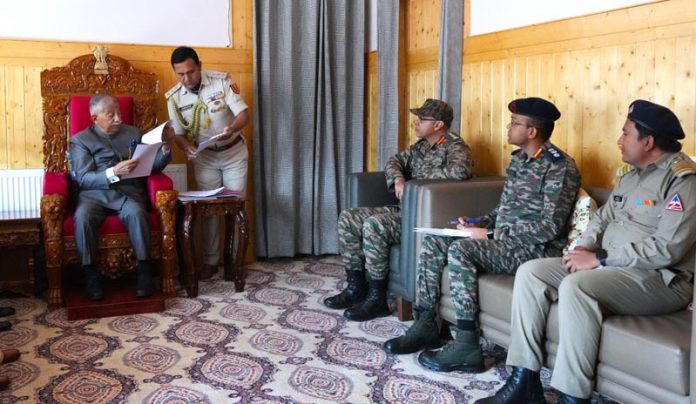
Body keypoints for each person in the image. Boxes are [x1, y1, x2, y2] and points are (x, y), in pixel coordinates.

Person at [478, 100, 696, 404]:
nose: (619, 141)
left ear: (648, 141)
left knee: (577, 286)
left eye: (625, 134)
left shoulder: (683, 180)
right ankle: (524, 380)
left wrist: (600, 259)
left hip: (660, 279)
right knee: (532, 272)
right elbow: (603, 217)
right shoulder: (631, 175)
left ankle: (572, 395)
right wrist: (583, 246)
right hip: (613, 268)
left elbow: (667, 249)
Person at [384, 97, 581, 374]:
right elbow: (504, 210)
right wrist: (479, 221)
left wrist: (490, 233)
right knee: (435, 242)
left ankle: (466, 345)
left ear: (532, 131)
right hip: (506, 239)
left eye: (515, 123)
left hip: (537, 250)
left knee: (463, 251)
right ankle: (425, 323)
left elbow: (549, 228)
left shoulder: (558, 167)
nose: (508, 127)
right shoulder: (519, 161)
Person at [323, 98, 474, 321]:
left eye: (422, 119)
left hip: (425, 217)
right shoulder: (420, 147)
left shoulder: (456, 148)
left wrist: (415, 183)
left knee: (375, 225)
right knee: (349, 217)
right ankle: (356, 286)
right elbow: (393, 162)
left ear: (438, 125)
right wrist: (399, 180)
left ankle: (377, 298)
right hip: (404, 210)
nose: (416, 123)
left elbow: (459, 173)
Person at [70, 93, 174, 300]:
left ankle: (144, 273)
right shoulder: (80, 140)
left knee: (137, 213)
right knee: (82, 218)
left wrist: (165, 148)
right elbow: (83, 178)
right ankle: (91, 275)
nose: (119, 118)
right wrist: (113, 172)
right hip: (94, 195)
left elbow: (149, 168)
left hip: (127, 192)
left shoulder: (133, 133)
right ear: (95, 118)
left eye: (119, 113)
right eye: (111, 115)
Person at [166, 46, 250, 280]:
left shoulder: (221, 82)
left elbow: (244, 114)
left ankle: (235, 262)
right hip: (205, 158)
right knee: (208, 210)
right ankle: (211, 261)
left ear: (199, 66)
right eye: (180, 74)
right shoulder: (173, 97)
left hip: (233, 152)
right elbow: (178, 133)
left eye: (191, 72)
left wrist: (232, 128)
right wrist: (186, 147)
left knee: (235, 207)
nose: (187, 79)